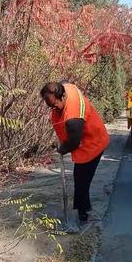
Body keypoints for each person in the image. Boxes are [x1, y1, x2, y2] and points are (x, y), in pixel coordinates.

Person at [40, 81, 110, 222]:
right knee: (80, 179)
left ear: (63, 96)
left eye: (54, 105)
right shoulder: (65, 87)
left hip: (92, 143)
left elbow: (74, 143)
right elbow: (62, 85)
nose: (53, 108)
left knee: (82, 180)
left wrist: (62, 149)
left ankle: (82, 214)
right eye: (50, 106)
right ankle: (84, 209)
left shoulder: (73, 117)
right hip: (87, 137)